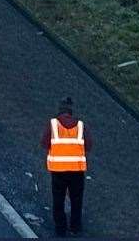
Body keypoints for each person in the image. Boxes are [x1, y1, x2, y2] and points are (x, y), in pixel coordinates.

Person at [42, 97, 89, 236]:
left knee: (58, 199)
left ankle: (60, 228)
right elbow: (89, 145)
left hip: (58, 170)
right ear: (71, 111)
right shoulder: (81, 125)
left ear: (59, 110)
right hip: (77, 170)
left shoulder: (53, 125)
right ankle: (75, 226)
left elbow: (44, 143)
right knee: (76, 199)